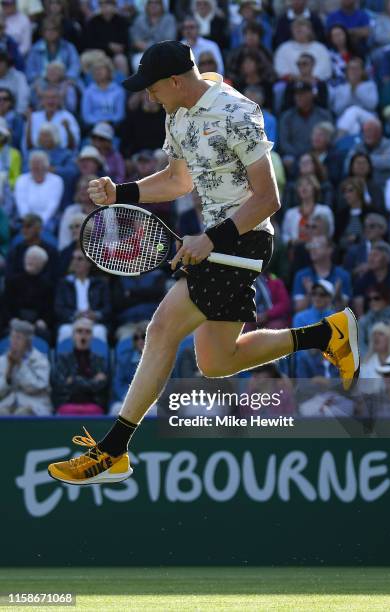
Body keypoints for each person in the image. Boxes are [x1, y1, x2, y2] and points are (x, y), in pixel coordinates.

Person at [48, 41, 360, 485]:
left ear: (175, 81)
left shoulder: (237, 112)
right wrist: (123, 192)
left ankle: (113, 450)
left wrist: (209, 239)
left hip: (243, 242)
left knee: (160, 330)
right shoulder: (176, 113)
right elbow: (178, 180)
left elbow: (268, 199)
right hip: (216, 244)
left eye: (153, 88)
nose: (148, 96)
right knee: (215, 361)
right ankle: (328, 333)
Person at [51, 317, 109, 415]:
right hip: (68, 403)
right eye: (79, 331)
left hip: (93, 404)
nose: (83, 335)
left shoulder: (100, 360)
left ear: (92, 337)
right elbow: (59, 386)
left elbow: (103, 386)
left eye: (87, 332)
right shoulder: (63, 359)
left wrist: (73, 380)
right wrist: (92, 381)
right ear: (73, 336)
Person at [54, 248, 111, 342]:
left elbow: (108, 308)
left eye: (79, 259)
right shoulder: (64, 284)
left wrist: (95, 315)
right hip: (72, 321)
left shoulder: (100, 284)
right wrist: (75, 315)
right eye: (73, 258)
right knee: (64, 331)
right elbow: (59, 308)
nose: (75, 262)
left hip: (94, 322)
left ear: (89, 263)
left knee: (99, 331)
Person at [0, 318, 52, 416]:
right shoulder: (3, 360)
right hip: (7, 403)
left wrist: (20, 364)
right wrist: (8, 372)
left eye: (18, 338)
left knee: (22, 413)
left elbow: (37, 386)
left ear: (28, 342)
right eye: (12, 337)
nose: (14, 341)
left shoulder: (40, 360)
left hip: (34, 404)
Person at [278, 81, 332, 173]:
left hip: (318, 155)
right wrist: (300, 155)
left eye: (302, 94)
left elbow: (329, 139)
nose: (298, 97)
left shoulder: (324, 115)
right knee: (287, 160)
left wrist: (313, 156)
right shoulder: (287, 117)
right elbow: (284, 143)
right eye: (297, 94)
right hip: (294, 156)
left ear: (311, 94)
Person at [4, 245, 54, 339]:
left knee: (45, 335)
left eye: (34, 258)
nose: (30, 260)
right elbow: (5, 305)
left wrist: (44, 321)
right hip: (15, 321)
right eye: (28, 257)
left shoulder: (47, 286)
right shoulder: (12, 281)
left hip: (36, 324)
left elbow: (49, 309)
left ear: (42, 264)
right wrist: (11, 320)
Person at [292, 235, 352, 312]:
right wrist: (310, 293)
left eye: (317, 245)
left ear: (329, 249)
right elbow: (298, 309)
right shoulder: (302, 276)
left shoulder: (343, 276)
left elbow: (343, 312)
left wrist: (337, 297)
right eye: (311, 246)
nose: (313, 249)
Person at [353, 241, 390, 316]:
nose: (371, 259)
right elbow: (360, 314)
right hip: (368, 323)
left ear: (387, 259)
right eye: (370, 255)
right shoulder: (361, 281)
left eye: (375, 255)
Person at [14, 150, 64, 228]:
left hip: (48, 220)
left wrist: (40, 222)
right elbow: (22, 204)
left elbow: (52, 205)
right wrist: (28, 221)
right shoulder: (21, 179)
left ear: (46, 165)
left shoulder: (57, 180)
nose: (35, 166)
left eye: (39, 163)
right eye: (33, 163)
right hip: (25, 220)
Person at [274, 17, 332, 81]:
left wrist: (311, 79)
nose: (298, 28)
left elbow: (324, 68)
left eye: (302, 25)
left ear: (310, 30)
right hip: (291, 84)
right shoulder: (283, 48)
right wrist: (298, 79)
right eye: (295, 27)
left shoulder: (320, 48)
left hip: (317, 83)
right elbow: (281, 70)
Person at [110, 321, 148, 415]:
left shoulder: (161, 359)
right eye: (136, 338)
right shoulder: (124, 359)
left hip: (152, 402)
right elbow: (118, 383)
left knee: (156, 412)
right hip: (128, 400)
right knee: (116, 409)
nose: (140, 341)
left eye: (143, 337)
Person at [346, 119, 390, 187]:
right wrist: (380, 159)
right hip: (360, 186)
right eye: (366, 131)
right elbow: (347, 164)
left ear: (379, 132)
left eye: (371, 131)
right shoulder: (357, 146)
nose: (368, 134)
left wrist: (360, 161)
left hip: (385, 186)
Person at [358, 284, 390, 354]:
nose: (372, 302)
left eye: (376, 298)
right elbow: (361, 347)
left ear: (387, 299)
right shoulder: (363, 322)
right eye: (369, 299)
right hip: (370, 362)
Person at [81, 55, 126, 130]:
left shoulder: (118, 91)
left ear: (109, 71)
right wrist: (99, 122)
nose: (98, 71)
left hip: (114, 127)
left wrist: (109, 122)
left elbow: (120, 114)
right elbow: (86, 115)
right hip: (94, 127)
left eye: (101, 68)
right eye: (95, 69)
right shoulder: (88, 91)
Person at [0, 49, 29, 114]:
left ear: (7, 63)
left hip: (12, 114)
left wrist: (18, 113)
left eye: (0, 62)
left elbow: (23, 98)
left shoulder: (19, 77)